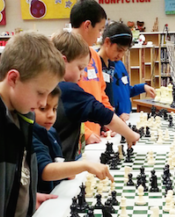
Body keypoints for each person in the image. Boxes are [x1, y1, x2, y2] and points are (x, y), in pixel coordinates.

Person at [0, 32, 65, 217]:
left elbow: (9, 177)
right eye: (40, 93)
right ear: (13, 78)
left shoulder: (23, 117)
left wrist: (26, 199)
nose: (43, 103)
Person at [52, 30, 140, 162]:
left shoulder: (50, 87)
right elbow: (100, 112)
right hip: (60, 166)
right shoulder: (68, 89)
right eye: (80, 68)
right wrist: (129, 134)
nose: (82, 75)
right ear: (63, 61)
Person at [33, 86, 114, 194]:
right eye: (43, 109)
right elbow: (45, 170)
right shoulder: (32, 135)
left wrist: (65, 173)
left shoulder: (51, 132)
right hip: (41, 202)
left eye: (54, 109)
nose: (51, 115)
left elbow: (58, 161)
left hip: (56, 193)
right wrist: (85, 165)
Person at [71, 0, 115, 144]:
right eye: (100, 29)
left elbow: (101, 93)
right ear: (88, 25)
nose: (100, 36)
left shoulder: (94, 55)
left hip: (96, 138)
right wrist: (85, 133)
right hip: (77, 139)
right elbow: (63, 103)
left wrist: (109, 120)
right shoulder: (62, 55)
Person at [98, 22, 156, 121]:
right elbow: (96, 101)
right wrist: (114, 118)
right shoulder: (94, 64)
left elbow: (126, 90)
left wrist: (143, 87)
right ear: (107, 42)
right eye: (119, 50)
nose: (121, 56)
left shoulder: (118, 64)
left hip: (125, 120)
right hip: (111, 123)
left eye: (124, 52)